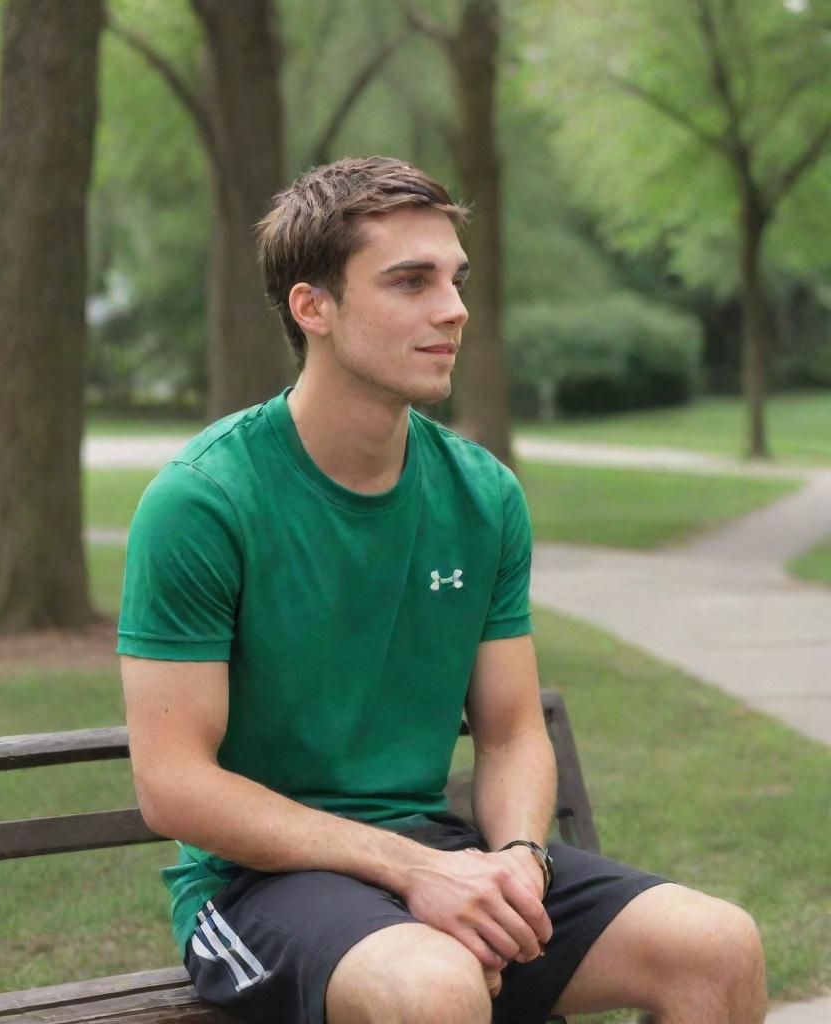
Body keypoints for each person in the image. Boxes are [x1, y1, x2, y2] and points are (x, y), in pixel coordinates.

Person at [117, 156, 766, 1024]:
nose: (453, 308)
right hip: (256, 888)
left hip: (443, 856)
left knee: (717, 949)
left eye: (456, 279)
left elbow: (509, 733)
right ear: (313, 307)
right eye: (411, 282)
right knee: (435, 989)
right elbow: (175, 786)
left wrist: (518, 862)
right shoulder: (204, 500)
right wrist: (413, 870)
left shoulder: (482, 494)